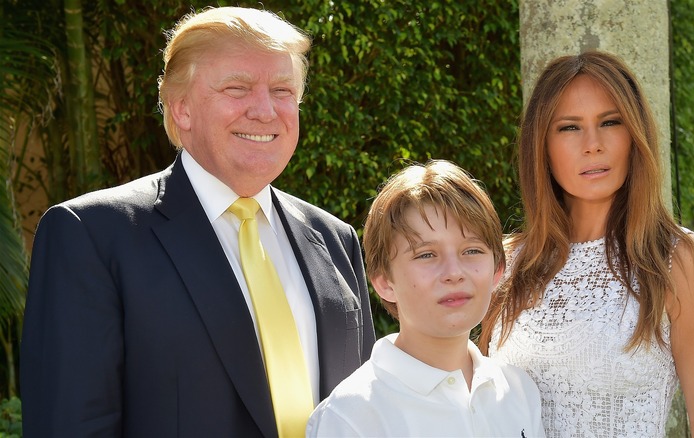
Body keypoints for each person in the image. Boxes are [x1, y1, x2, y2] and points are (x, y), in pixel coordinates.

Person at [21, 6, 374, 437]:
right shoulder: (91, 236)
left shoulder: (335, 240)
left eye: (282, 90)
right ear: (182, 109)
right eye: (237, 88)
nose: (264, 110)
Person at [479, 50, 694, 437]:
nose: (592, 144)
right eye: (569, 127)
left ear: (635, 135)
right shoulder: (507, 261)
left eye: (610, 122)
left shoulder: (680, 259)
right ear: (542, 145)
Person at [306, 160, 544, 437]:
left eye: (472, 251)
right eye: (426, 255)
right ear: (384, 281)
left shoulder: (519, 391)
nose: (454, 273)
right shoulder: (350, 417)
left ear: (497, 270)